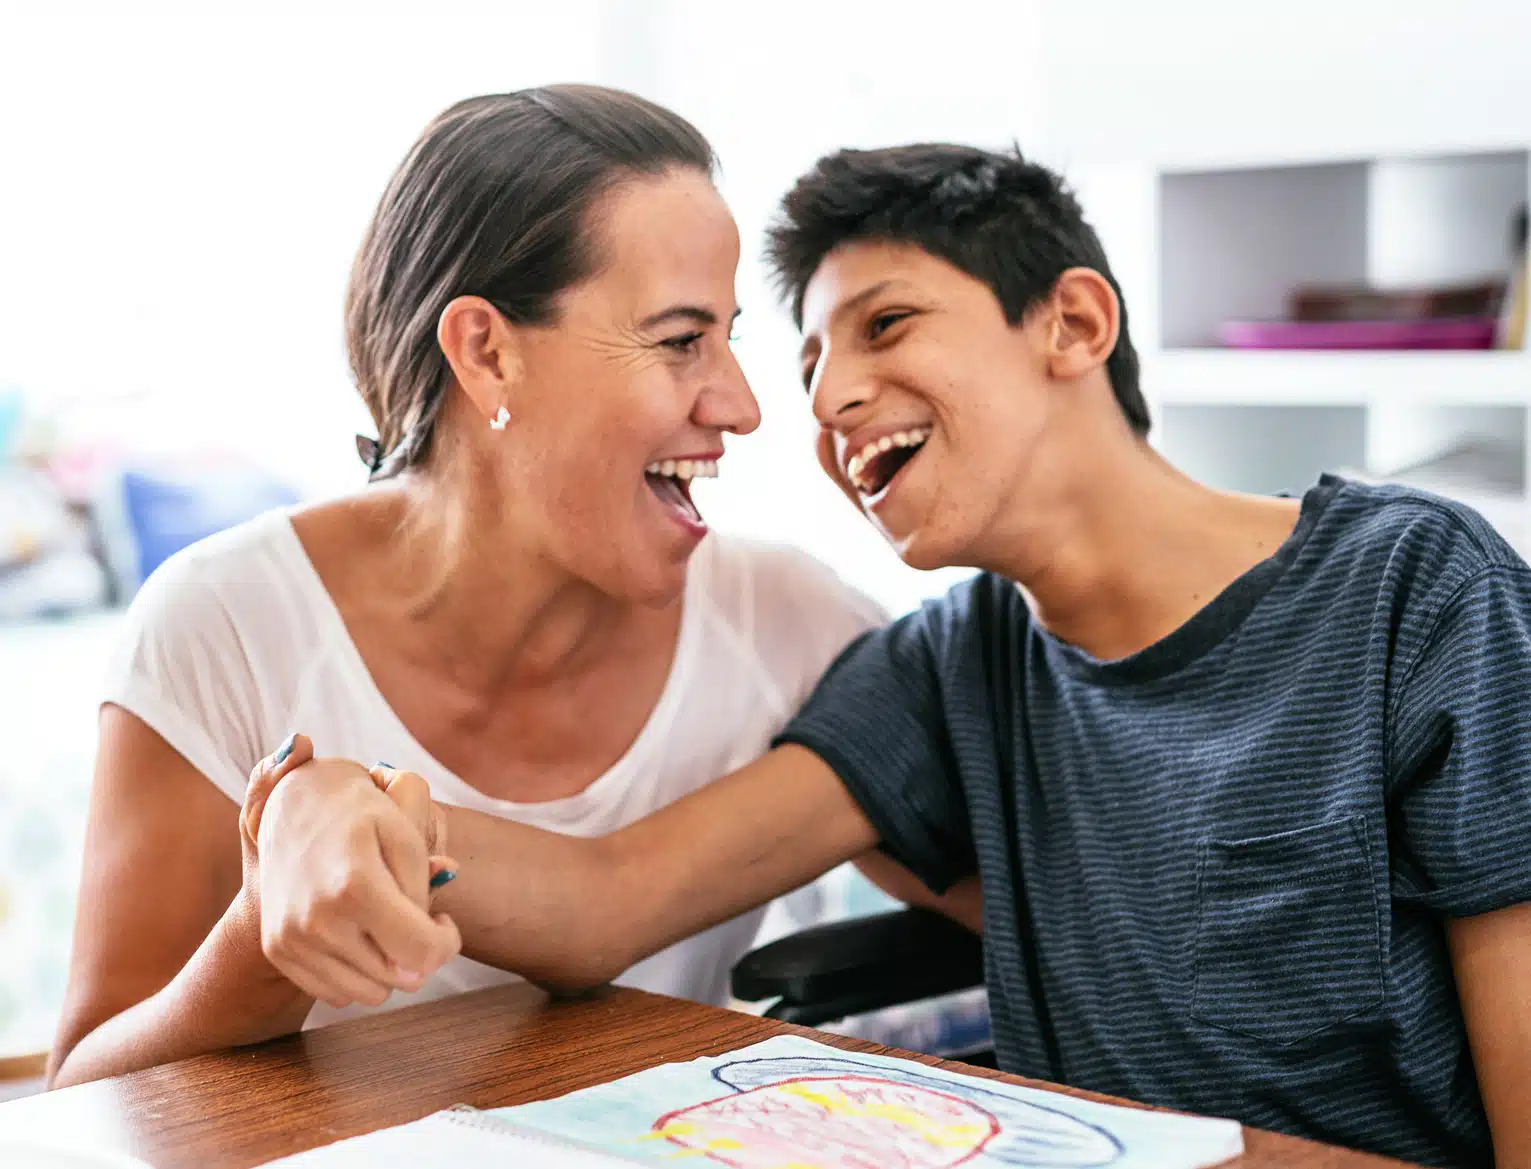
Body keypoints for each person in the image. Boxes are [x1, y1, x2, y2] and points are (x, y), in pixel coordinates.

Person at [255, 141, 1531, 1168]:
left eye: (886, 324)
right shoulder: (949, 666)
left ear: (1074, 322)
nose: (821, 399)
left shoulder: (1418, 595)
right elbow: (607, 900)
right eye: (809, 361)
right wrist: (338, 806)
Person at [46, 86, 956, 1090]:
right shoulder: (225, 624)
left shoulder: (790, 622)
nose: (741, 407)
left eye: (728, 337)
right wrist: (269, 932)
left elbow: (1017, 894)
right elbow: (87, 1098)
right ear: (486, 352)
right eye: (677, 340)